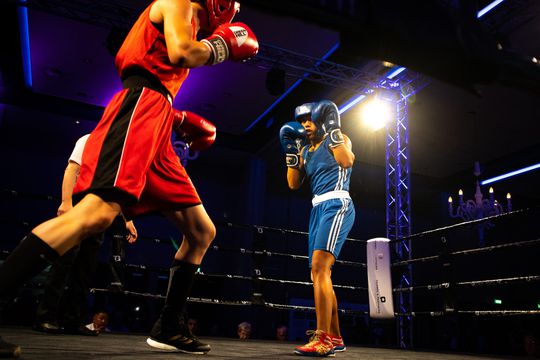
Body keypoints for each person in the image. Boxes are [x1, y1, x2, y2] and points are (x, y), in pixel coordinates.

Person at [0, 0, 258, 355]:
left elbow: (164, 68)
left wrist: (178, 119)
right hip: (142, 106)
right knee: (95, 214)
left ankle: (168, 326)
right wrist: (223, 45)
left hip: (158, 115)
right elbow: (182, 53)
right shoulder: (179, 2)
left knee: (201, 231)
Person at [33, 134, 137, 336]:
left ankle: (73, 320)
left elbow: (118, 187)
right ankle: (44, 317)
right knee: (64, 263)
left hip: (98, 211)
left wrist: (128, 220)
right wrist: (66, 202)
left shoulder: (119, 147)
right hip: (78, 204)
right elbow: (72, 169)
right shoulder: (89, 139)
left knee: (85, 269)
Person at [279, 100, 355, 357]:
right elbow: (292, 184)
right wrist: (290, 149)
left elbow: (346, 161)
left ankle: (322, 339)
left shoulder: (339, 138)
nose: (305, 125)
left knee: (320, 269)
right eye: (301, 122)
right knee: (318, 273)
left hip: (337, 203)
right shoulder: (306, 151)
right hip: (317, 209)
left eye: (310, 120)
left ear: (323, 120)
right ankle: (335, 336)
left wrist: (334, 129)